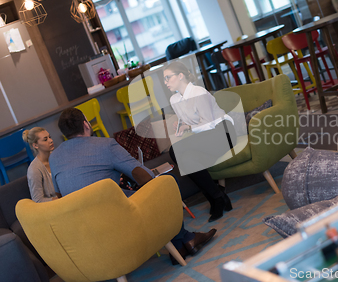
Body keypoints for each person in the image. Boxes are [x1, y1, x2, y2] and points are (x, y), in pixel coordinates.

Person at [50, 108, 216, 265]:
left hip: (84, 225)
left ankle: (182, 242)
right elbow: (142, 175)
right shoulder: (105, 145)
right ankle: (185, 239)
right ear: (86, 124)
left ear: (64, 133)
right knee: (168, 182)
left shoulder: (54, 158)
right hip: (117, 215)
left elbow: (60, 196)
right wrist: (150, 175)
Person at [164, 61, 235, 222]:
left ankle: (217, 196)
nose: (166, 82)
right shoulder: (175, 99)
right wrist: (181, 124)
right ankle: (217, 196)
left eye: (168, 77)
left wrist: (188, 127)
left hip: (223, 132)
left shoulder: (198, 92)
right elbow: (191, 122)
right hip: (206, 138)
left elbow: (209, 123)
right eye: (164, 79)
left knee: (175, 151)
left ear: (180, 76)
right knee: (187, 158)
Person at [22, 127, 58, 203]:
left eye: (50, 137)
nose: (51, 140)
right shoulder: (34, 169)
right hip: (54, 206)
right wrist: (61, 199)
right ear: (35, 145)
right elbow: (38, 200)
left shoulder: (57, 157)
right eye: (45, 139)